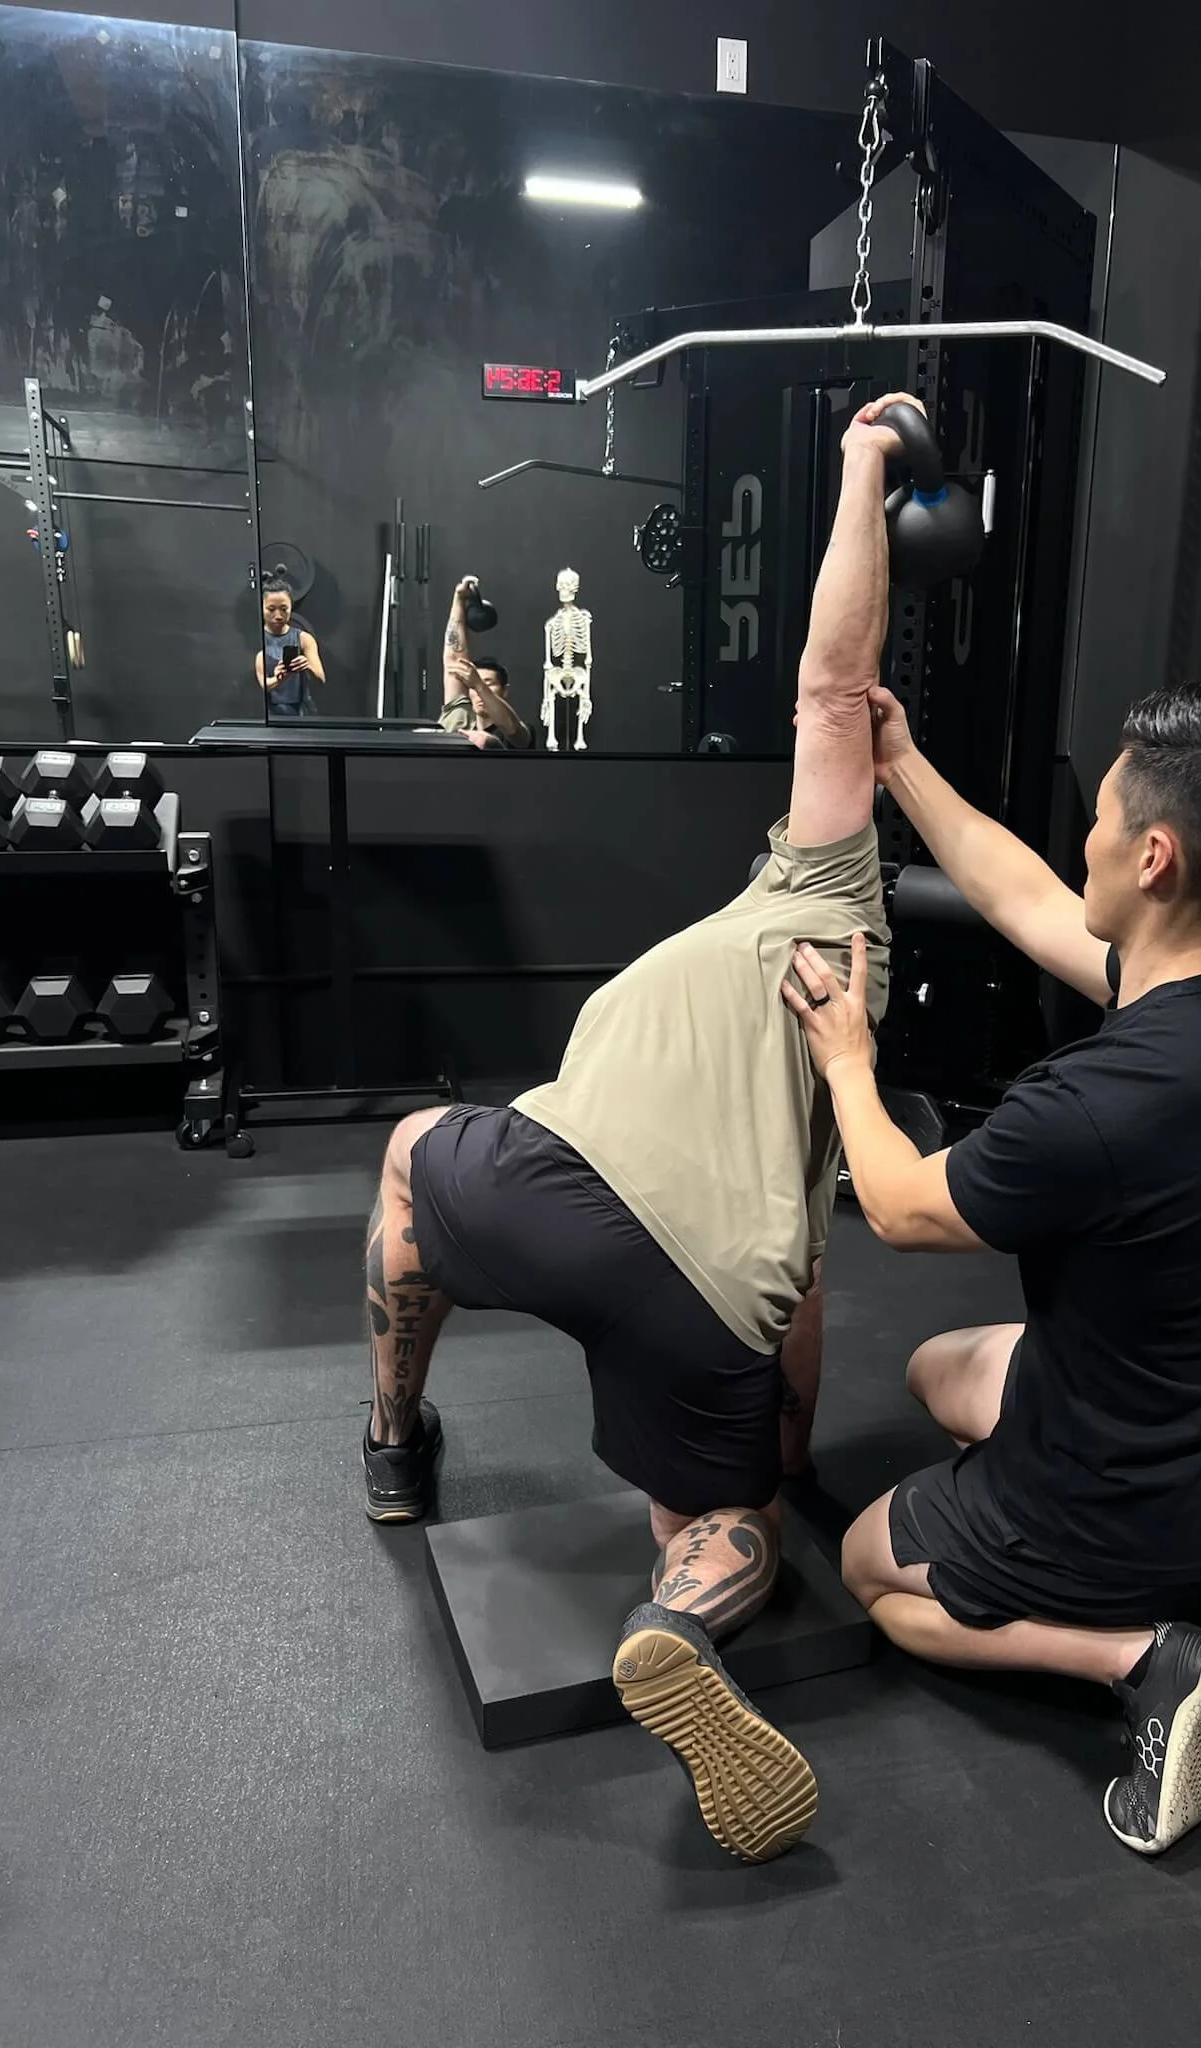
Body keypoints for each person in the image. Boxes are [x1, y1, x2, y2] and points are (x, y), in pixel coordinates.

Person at [359, 397, 920, 1862]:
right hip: (707, 1294)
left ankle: (391, 1437)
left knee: (415, 1151)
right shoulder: (830, 1021)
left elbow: (834, 678)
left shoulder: (817, 890)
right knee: (718, 1523)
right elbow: (804, 1285)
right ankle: (679, 1614)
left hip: (536, 1196)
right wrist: (773, 1463)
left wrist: (865, 462)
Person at [783, 680, 1201, 1858]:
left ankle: (1146, 1657)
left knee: (878, 1571)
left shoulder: (1093, 1107)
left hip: (1135, 1485)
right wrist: (901, 764)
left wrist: (849, 1063)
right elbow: (1028, 896)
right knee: (935, 1370)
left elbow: (902, 1205)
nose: (1086, 841)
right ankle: (1180, 1581)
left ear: (1157, 858)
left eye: (1105, 819)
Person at [437, 576, 534, 747]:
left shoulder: (518, 732)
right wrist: (459, 599)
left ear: (505, 691)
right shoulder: (460, 717)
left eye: (489, 684)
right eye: (473, 687)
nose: (478, 691)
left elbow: (513, 730)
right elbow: (453, 658)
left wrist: (479, 684)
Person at [255, 577, 324, 717]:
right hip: (271, 713)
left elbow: (321, 678)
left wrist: (307, 666)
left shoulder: (304, 639)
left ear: (291, 606)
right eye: (271, 609)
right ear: (262, 607)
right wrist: (279, 679)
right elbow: (264, 685)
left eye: (284, 609)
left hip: (302, 711)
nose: (278, 615)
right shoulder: (256, 638)